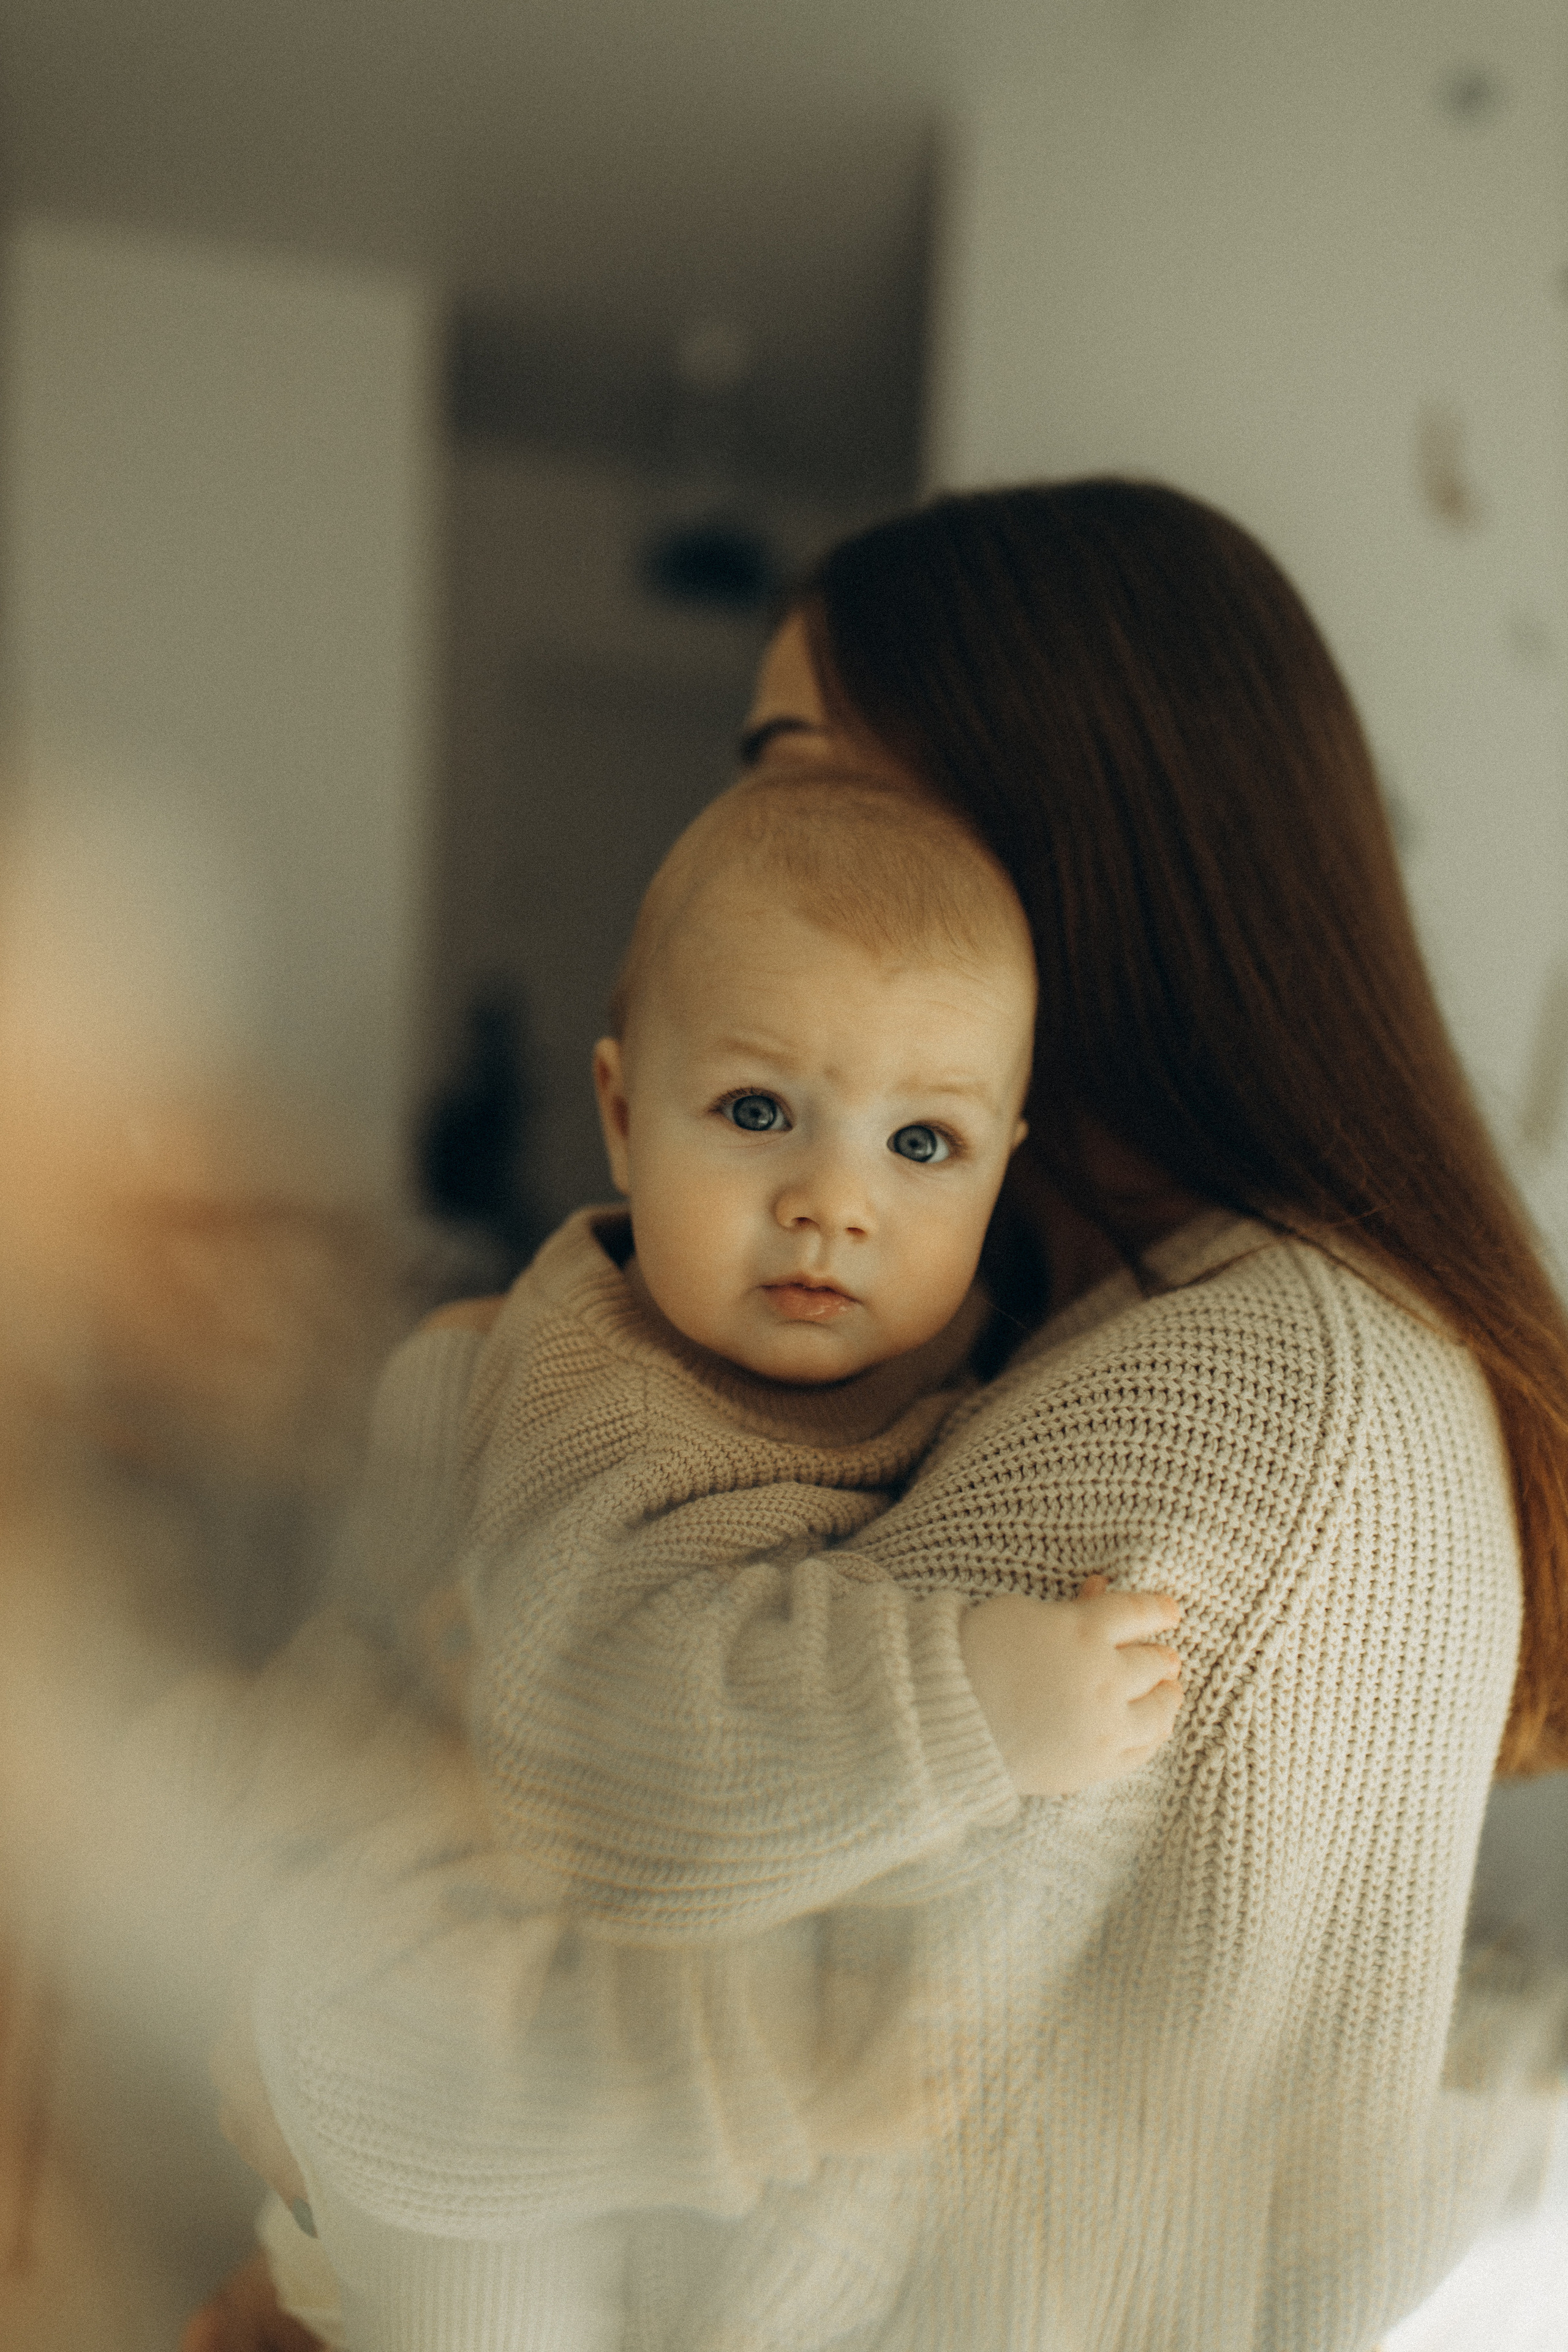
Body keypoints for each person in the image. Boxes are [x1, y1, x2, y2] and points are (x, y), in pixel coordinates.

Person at [186, 477, 1568, 2352]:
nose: (768, 850)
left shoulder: (1257, 1385)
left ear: (1069, 819)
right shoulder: (1089, 1329)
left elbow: (754, 2200)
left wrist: (293, 1981)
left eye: (799, 772)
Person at [188, 764, 1183, 2352]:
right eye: (758, 1113)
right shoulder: (600, 1394)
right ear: (618, 1112)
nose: (833, 1204)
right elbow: (610, 1737)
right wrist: (963, 1695)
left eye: (921, 1142)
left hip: (626, 2053)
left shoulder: (975, 1373)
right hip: (432, 2040)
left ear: (1007, 1163)